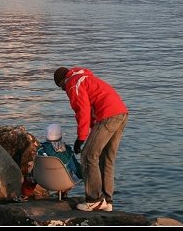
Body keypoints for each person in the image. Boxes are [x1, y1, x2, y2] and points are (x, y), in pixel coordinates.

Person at [53, 66, 128, 212]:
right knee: (107, 158)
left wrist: (81, 139)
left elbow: (83, 110)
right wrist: (89, 132)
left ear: (62, 82)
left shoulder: (72, 84)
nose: (63, 90)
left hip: (108, 115)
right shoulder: (84, 78)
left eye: (61, 87)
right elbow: (92, 109)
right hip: (121, 112)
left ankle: (94, 199)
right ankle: (107, 201)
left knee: (88, 155)